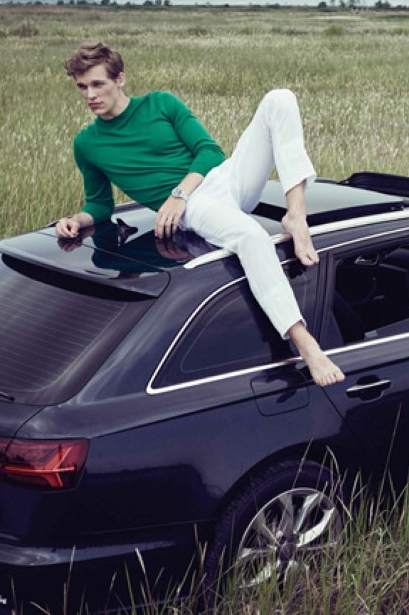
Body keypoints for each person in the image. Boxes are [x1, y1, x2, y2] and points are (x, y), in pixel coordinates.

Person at [55, 42, 344, 387]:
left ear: (120, 79)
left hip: (219, 179)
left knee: (279, 99)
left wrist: (178, 193)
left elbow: (210, 151)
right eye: (82, 87)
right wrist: (77, 221)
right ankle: (305, 343)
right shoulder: (87, 144)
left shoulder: (161, 103)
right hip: (196, 208)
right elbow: (100, 204)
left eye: (97, 84)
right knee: (251, 237)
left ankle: (296, 215)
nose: (89, 95)